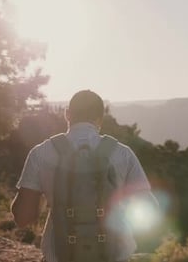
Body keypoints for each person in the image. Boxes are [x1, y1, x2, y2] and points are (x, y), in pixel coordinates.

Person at [11, 89, 158, 262]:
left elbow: (23, 218)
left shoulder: (41, 153)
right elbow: (150, 210)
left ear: (68, 114)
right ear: (100, 119)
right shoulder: (122, 154)